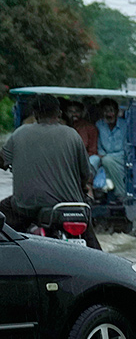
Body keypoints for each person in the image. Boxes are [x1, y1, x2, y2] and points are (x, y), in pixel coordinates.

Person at [0, 93, 101, 249]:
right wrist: (81, 187)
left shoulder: (20, 133)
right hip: (70, 205)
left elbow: (2, 160)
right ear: (59, 113)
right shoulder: (72, 135)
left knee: (5, 222)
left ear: (35, 114)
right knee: (93, 244)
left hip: (27, 207)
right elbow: (85, 174)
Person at [95, 98, 128, 200]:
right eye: (106, 111)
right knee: (93, 161)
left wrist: (108, 157)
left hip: (122, 157)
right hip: (104, 156)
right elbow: (99, 145)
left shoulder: (125, 125)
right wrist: (101, 154)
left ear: (117, 112)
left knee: (107, 161)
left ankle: (120, 193)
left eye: (111, 111)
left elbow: (126, 149)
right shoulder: (99, 125)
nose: (109, 114)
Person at [65, 100, 100, 178]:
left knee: (94, 160)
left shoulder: (90, 128)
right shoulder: (63, 128)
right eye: (71, 111)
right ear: (66, 113)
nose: (74, 114)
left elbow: (93, 150)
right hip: (67, 160)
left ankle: (88, 185)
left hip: (86, 160)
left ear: (82, 112)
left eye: (77, 111)